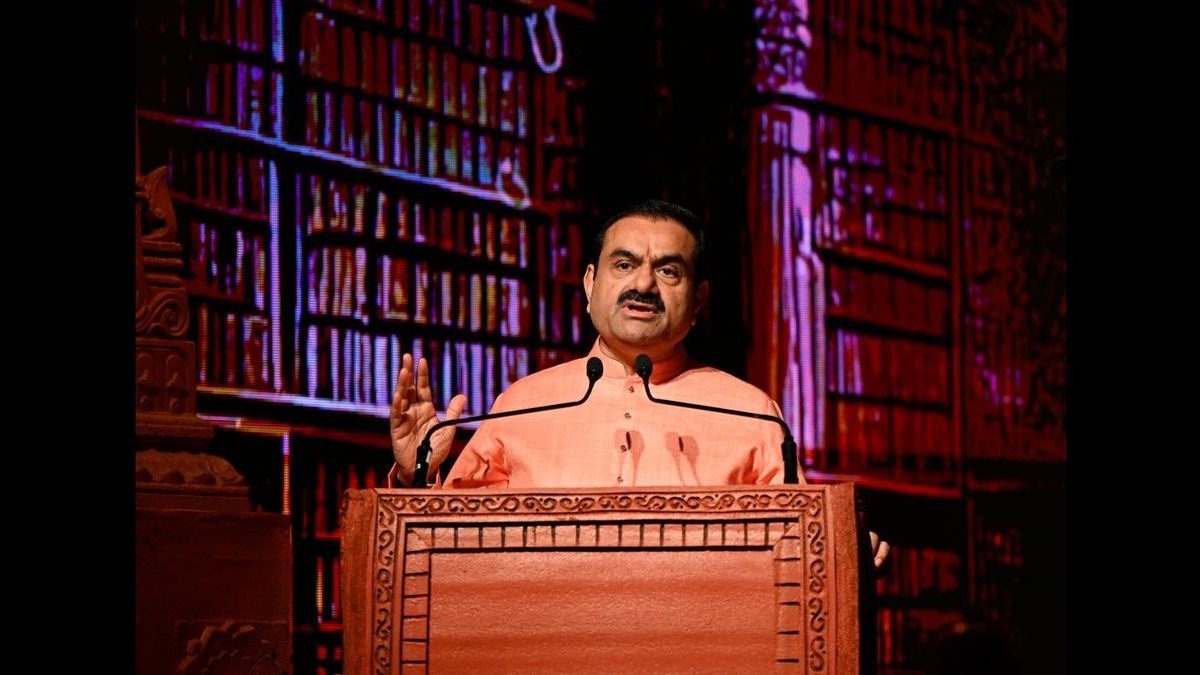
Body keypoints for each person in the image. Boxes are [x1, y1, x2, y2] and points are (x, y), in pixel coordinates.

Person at [387, 198, 890, 570]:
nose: (643, 285)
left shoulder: (750, 413)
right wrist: (415, 476)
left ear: (698, 300)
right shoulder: (522, 404)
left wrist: (843, 554)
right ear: (590, 284)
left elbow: (799, 548)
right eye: (624, 265)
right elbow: (448, 551)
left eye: (668, 271)